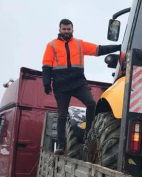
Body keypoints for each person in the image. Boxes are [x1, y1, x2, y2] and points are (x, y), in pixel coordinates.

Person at [42, 18, 121, 155]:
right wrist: (46, 82)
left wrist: (119, 47)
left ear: (72, 30)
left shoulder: (79, 44)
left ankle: (88, 133)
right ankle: (61, 145)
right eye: (64, 29)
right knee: (61, 115)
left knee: (91, 103)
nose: (66, 31)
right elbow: (46, 65)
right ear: (60, 30)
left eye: (69, 29)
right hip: (61, 85)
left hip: (78, 82)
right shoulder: (52, 45)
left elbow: (99, 50)